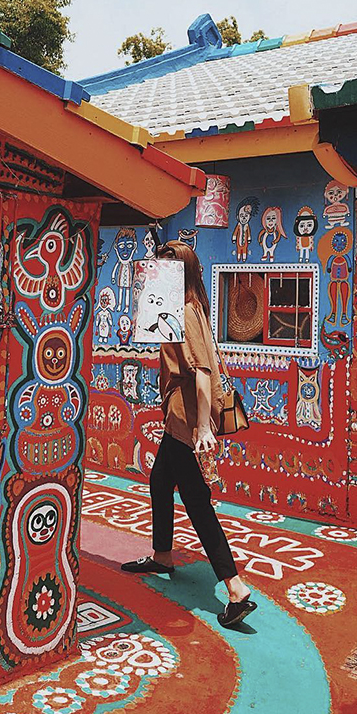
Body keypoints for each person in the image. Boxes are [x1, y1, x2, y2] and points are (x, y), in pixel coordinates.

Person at [121, 241, 256, 628]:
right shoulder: (177, 307)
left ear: (183, 272)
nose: (160, 273)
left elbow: (201, 371)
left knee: (197, 501)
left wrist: (201, 428)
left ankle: (235, 589)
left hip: (187, 420)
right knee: (160, 481)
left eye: (168, 267)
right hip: (179, 417)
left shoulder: (185, 309)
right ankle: (163, 555)